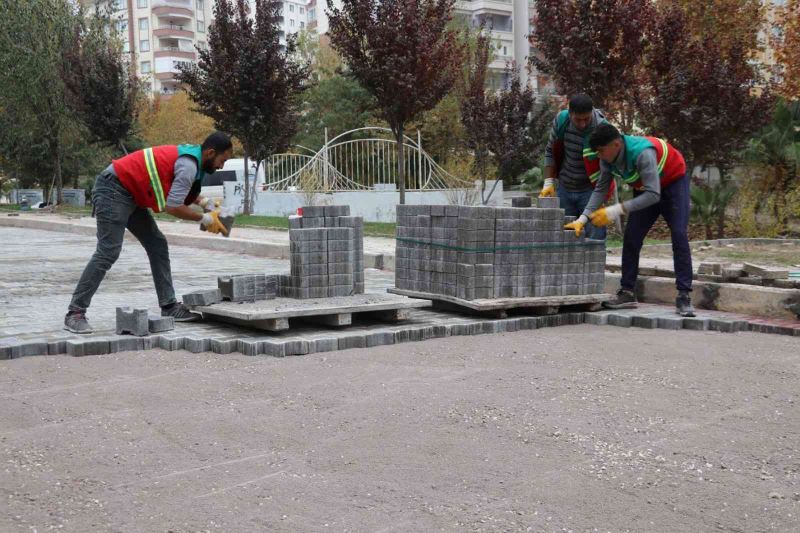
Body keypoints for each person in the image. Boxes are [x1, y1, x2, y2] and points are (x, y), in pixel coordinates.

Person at [64, 132, 234, 334]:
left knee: (157, 244)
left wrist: (204, 203)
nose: (221, 166)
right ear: (210, 152)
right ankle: (75, 313)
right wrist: (204, 219)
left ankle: (169, 307)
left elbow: (177, 184)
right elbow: (173, 207)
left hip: (131, 193)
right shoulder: (189, 165)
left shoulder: (194, 159)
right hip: (113, 189)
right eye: (222, 160)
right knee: (108, 251)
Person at [565, 123, 695, 317]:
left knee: (678, 234)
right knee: (632, 237)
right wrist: (582, 219)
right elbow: (601, 188)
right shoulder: (607, 158)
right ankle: (627, 292)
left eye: (601, 151)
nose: (599, 155)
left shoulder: (643, 153)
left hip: (673, 182)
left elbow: (653, 195)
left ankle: (684, 296)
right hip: (646, 188)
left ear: (616, 144)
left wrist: (615, 210)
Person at [541, 93, 613, 240]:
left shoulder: (602, 129)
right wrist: (548, 182)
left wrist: (601, 197)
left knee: (595, 237)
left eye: (586, 119)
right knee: (562, 236)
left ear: (592, 112)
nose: (582, 124)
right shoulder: (561, 120)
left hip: (590, 190)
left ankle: (594, 264)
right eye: (577, 119)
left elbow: (608, 168)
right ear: (570, 113)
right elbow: (550, 150)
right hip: (565, 188)